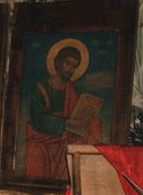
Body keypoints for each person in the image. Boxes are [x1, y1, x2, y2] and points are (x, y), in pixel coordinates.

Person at [24, 41, 103, 181]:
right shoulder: (41, 88)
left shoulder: (71, 90)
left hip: (65, 135)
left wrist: (86, 115)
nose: (70, 69)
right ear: (58, 63)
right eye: (67, 63)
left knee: (94, 123)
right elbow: (38, 119)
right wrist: (65, 123)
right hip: (42, 136)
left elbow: (76, 113)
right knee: (35, 153)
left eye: (74, 66)